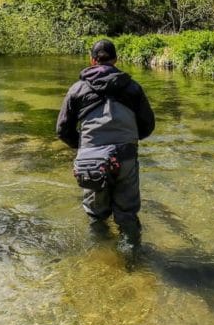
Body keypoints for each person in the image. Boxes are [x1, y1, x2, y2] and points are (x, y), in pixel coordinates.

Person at [56, 38, 155, 249]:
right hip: (126, 154)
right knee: (127, 214)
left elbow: (62, 130)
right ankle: (132, 263)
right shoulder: (133, 87)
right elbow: (148, 125)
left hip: (91, 159)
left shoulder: (77, 89)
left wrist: (83, 147)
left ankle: (101, 261)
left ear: (92, 60)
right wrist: (131, 141)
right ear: (116, 60)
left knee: (96, 215)